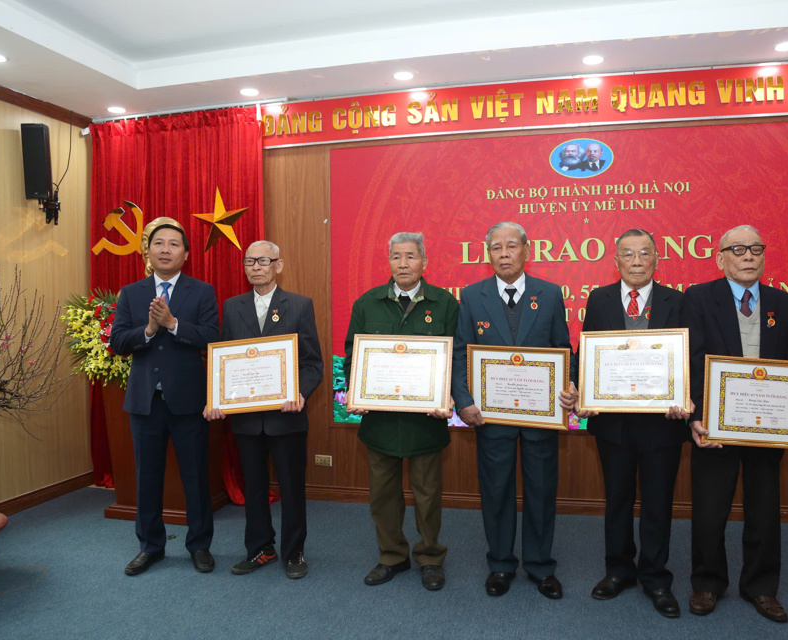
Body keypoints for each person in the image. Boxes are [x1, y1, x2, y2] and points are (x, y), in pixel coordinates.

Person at [684, 224, 788, 623]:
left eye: (755, 249)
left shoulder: (786, 303)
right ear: (720, 257)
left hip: (766, 426)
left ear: (763, 256)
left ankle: (761, 587)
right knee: (709, 509)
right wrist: (695, 417)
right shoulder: (699, 298)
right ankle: (707, 583)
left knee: (764, 508)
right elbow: (692, 362)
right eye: (738, 249)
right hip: (714, 426)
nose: (747, 257)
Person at [452, 221, 578, 600]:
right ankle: (501, 564)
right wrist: (465, 401)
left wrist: (570, 387)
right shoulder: (472, 297)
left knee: (541, 490)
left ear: (527, 250)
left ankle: (541, 567)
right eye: (495, 248)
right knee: (497, 489)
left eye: (511, 246)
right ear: (487, 254)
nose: (503, 254)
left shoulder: (551, 294)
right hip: (490, 416)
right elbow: (461, 352)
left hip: (540, 416)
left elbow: (563, 350)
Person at [576, 229, 691, 618]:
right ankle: (618, 571)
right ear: (617, 260)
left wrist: (688, 398)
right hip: (614, 425)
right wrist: (582, 392)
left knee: (658, 502)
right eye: (629, 254)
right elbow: (586, 351)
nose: (637, 260)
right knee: (618, 500)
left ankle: (656, 578)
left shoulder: (678, 301)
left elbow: (688, 358)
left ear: (658, 259)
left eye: (645, 253)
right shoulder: (600, 299)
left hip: (662, 424)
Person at [342, 232, 459, 591]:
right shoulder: (367, 303)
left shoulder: (444, 304)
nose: (403, 263)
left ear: (425, 261)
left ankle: (430, 557)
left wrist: (448, 395)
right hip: (380, 422)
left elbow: (456, 357)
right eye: (396, 257)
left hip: (426, 423)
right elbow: (352, 356)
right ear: (388, 262)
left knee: (427, 495)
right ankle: (391, 556)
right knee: (383, 495)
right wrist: (355, 391)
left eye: (410, 256)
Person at [203, 241, 324, 578]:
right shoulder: (232, 306)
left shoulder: (299, 306)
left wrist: (300, 392)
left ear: (278, 265)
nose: (256, 266)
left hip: (287, 417)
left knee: (291, 488)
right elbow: (224, 362)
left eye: (263, 260)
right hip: (246, 421)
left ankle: (294, 553)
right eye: (249, 261)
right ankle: (259, 549)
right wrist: (217, 398)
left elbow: (313, 363)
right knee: (254, 488)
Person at [109, 222, 220, 576]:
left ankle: (199, 545)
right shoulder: (131, 292)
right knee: (148, 477)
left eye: (174, 244)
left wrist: (173, 324)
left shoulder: (201, 292)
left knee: (195, 478)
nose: (166, 249)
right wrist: (149, 330)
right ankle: (151, 546)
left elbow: (211, 338)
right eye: (159, 243)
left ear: (185, 254)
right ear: (149, 252)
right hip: (145, 403)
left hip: (188, 402)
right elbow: (118, 342)